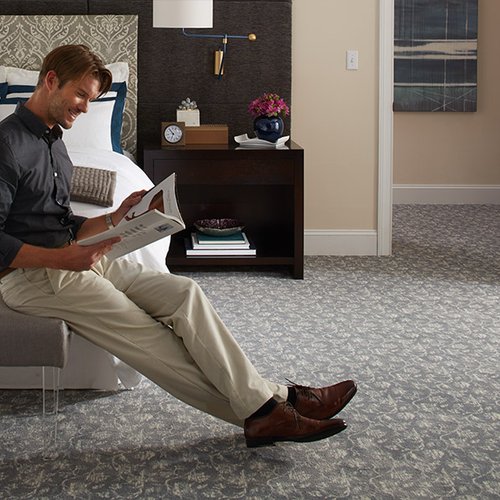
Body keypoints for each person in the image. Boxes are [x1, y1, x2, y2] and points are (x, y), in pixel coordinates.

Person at [0, 45, 357, 448]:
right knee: (153, 339)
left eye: (92, 100)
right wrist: (64, 257)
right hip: (34, 277)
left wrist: (119, 216)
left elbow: (61, 222)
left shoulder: (55, 142)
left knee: (185, 293)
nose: (84, 107)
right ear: (50, 80)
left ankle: (274, 403)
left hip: (78, 258)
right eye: (80, 95)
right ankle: (271, 411)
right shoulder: (7, 145)